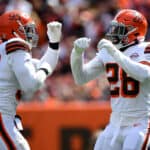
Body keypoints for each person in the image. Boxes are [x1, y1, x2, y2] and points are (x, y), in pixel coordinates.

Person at [71, 9, 150, 150]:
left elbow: (145, 75)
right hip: (115, 124)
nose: (113, 33)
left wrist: (115, 53)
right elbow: (81, 78)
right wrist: (77, 54)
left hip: (139, 123)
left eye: (119, 30)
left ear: (134, 32)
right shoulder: (108, 52)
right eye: (113, 28)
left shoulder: (145, 49)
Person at [0, 10, 62, 150]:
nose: (32, 34)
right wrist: (44, 69)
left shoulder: (6, 52)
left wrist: (54, 44)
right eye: (26, 30)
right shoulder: (14, 45)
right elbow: (32, 84)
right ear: (12, 30)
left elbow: (43, 65)